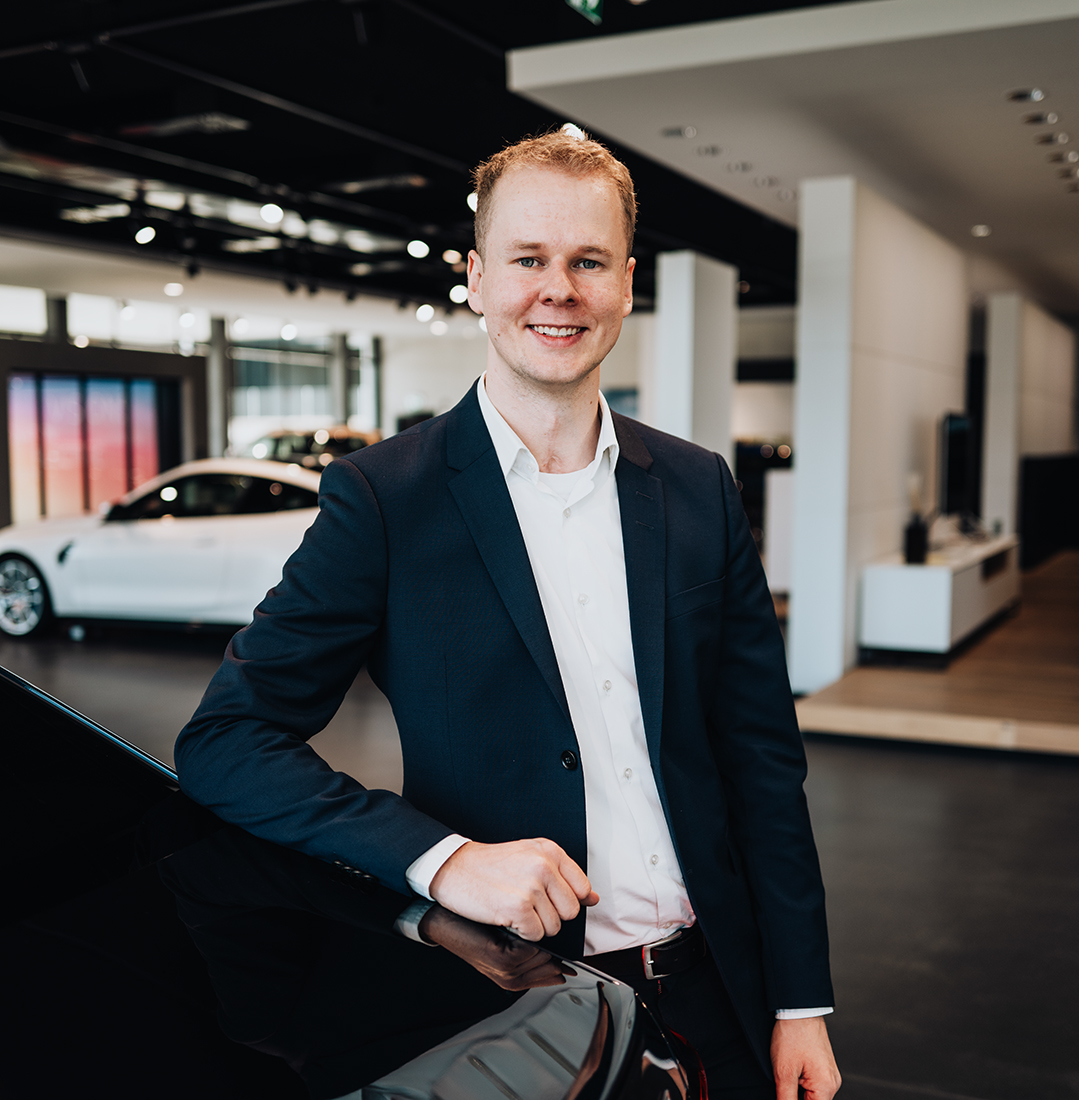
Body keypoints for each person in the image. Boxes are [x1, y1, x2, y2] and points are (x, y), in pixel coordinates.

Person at [176, 127, 841, 1100]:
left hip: (720, 991)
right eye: (527, 259)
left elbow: (762, 764)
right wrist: (440, 860)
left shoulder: (698, 486)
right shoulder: (385, 498)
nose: (557, 289)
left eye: (586, 261)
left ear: (623, 280)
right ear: (477, 278)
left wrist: (800, 1002)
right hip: (511, 1004)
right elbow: (227, 739)